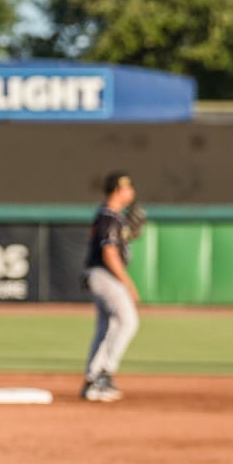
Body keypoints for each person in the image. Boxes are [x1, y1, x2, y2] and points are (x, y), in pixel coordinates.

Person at [81, 171, 143, 402]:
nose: (132, 193)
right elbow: (109, 252)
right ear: (118, 190)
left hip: (99, 275)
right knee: (128, 321)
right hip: (105, 275)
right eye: (128, 188)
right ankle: (102, 376)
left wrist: (128, 235)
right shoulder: (108, 216)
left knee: (108, 325)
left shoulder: (110, 216)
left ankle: (93, 377)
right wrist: (128, 283)